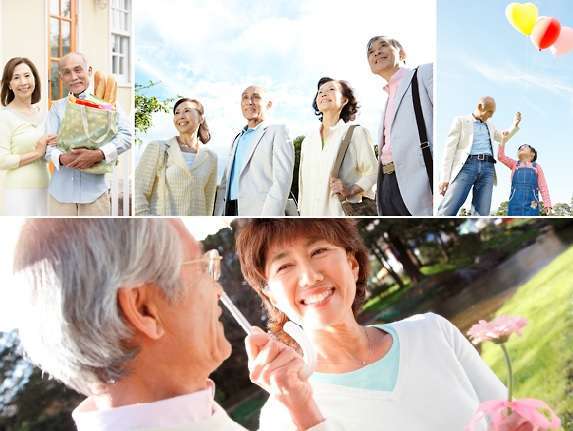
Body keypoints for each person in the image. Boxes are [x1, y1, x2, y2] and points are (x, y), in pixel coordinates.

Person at [14, 219, 333, 431]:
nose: (217, 289)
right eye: (202, 266)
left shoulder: (192, 414)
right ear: (143, 310)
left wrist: (299, 406)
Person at [235, 219, 515, 430]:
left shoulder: (433, 332)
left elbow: (513, 418)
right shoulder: (284, 413)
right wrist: (302, 411)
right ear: (270, 296)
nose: (310, 277)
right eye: (284, 267)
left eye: (319, 251)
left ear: (352, 264)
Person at [45, 52, 131, 216]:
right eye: (67, 72)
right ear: (61, 77)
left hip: (96, 195)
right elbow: (48, 147)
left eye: (78, 70)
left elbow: (127, 136)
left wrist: (98, 154)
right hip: (59, 195)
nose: (74, 77)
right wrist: (63, 158)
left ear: (89, 71)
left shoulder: (109, 105)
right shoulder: (57, 108)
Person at [367, 36, 433, 216]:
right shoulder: (387, 99)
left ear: (402, 53)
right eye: (371, 52)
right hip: (387, 184)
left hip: (420, 181)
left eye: (383, 46)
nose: (377, 52)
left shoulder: (425, 73)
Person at [298, 77, 377, 216]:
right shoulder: (308, 141)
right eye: (320, 91)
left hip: (340, 216)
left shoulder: (356, 133)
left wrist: (351, 189)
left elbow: (374, 172)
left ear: (345, 100)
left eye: (331, 89)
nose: (323, 93)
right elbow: (302, 187)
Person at [214, 85, 294, 216]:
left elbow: (282, 180)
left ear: (268, 104)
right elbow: (225, 183)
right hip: (229, 211)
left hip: (260, 213)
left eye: (256, 97)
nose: (249, 101)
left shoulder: (278, 131)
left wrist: (268, 218)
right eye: (245, 97)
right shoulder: (237, 138)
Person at [438, 97, 521, 216]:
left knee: (482, 213)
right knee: (448, 208)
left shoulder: (490, 125)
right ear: (480, 107)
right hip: (466, 166)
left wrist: (514, 125)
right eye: (490, 112)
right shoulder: (460, 121)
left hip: (488, 169)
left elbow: (504, 138)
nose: (491, 116)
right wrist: (444, 178)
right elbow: (449, 150)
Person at [135, 98, 217, 215]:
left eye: (187, 111)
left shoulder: (211, 158)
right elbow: (138, 190)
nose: (181, 116)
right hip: (160, 227)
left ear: (201, 118)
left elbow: (209, 203)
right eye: (177, 113)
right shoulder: (158, 148)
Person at [0, 57, 57, 215]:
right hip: (18, 192)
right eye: (16, 78)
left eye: (27, 75)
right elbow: (2, 160)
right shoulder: (5, 117)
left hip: (46, 187)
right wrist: (37, 153)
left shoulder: (44, 114)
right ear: (9, 85)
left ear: (35, 79)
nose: (23, 82)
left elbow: (48, 154)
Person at [498, 132, 551, 216]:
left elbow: (543, 186)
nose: (521, 148)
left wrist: (547, 204)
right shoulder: (514, 164)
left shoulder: (536, 167)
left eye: (525, 147)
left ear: (532, 154)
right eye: (519, 148)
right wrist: (503, 141)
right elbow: (501, 157)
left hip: (532, 202)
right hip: (515, 201)